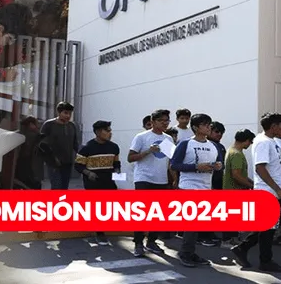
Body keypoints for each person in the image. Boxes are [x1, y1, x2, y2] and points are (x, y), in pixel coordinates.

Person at [231, 112, 281, 273]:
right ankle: (265, 261)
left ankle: (242, 248)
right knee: (268, 229)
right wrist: (277, 189)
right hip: (268, 192)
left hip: (274, 191)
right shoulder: (263, 142)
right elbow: (260, 167)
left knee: (267, 228)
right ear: (273, 127)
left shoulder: (271, 141)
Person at [171, 113, 221, 267]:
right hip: (188, 187)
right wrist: (195, 166)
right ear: (195, 127)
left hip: (205, 187)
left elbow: (218, 164)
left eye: (209, 124)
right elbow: (174, 165)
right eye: (205, 124)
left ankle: (190, 252)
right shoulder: (186, 144)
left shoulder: (213, 146)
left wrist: (219, 166)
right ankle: (185, 253)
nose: (209, 127)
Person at [128, 109, 173, 257]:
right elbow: (130, 157)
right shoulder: (142, 137)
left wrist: (174, 178)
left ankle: (152, 241)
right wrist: (148, 151)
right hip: (143, 178)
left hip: (161, 179)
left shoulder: (168, 139)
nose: (165, 123)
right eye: (162, 120)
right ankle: (138, 243)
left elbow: (170, 161)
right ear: (153, 122)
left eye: (167, 120)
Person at [75, 120, 120, 245]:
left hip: (109, 181)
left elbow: (116, 163)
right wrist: (88, 173)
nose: (110, 133)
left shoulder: (114, 147)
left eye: (110, 130)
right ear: (98, 132)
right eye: (107, 130)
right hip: (93, 182)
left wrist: (117, 170)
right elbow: (78, 166)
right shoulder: (86, 148)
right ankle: (100, 234)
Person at [222, 129, 256, 245]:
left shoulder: (231, 150)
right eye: (250, 142)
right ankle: (228, 240)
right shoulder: (236, 154)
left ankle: (232, 239)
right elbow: (236, 175)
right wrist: (251, 185)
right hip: (234, 190)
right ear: (246, 140)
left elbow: (240, 174)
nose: (250, 144)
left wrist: (252, 182)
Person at [39, 102, 80, 190]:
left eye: (70, 113)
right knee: (56, 186)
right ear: (59, 112)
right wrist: (52, 158)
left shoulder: (72, 126)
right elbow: (41, 144)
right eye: (65, 113)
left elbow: (75, 144)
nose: (68, 116)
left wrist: (81, 156)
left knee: (64, 187)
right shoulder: (49, 125)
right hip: (53, 163)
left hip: (68, 162)